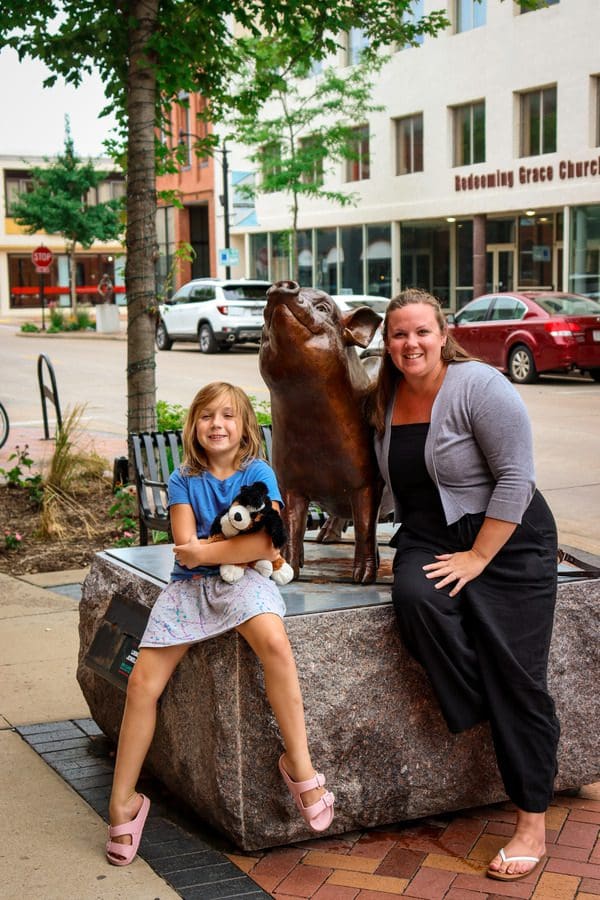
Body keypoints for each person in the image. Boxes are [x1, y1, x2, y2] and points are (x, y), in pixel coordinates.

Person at [371, 289, 559, 883]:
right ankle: (486, 709)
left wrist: (479, 556)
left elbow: (516, 477)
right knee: (416, 599)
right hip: (429, 535)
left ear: (442, 331)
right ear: (386, 341)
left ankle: (531, 821)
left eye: (421, 331)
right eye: (399, 334)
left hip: (507, 537)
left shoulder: (479, 385)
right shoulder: (387, 394)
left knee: (518, 673)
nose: (410, 344)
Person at [105, 381, 334, 866]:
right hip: (188, 588)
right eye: (208, 416)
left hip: (243, 582)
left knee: (274, 642)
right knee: (142, 683)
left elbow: (266, 547)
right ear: (195, 425)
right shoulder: (184, 478)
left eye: (228, 416)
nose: (217, 425)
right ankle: (122, 799)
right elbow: (184, 548)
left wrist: (209, 551)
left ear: (244, 425)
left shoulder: (260, 473)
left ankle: (300, 764)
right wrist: (219, 549)